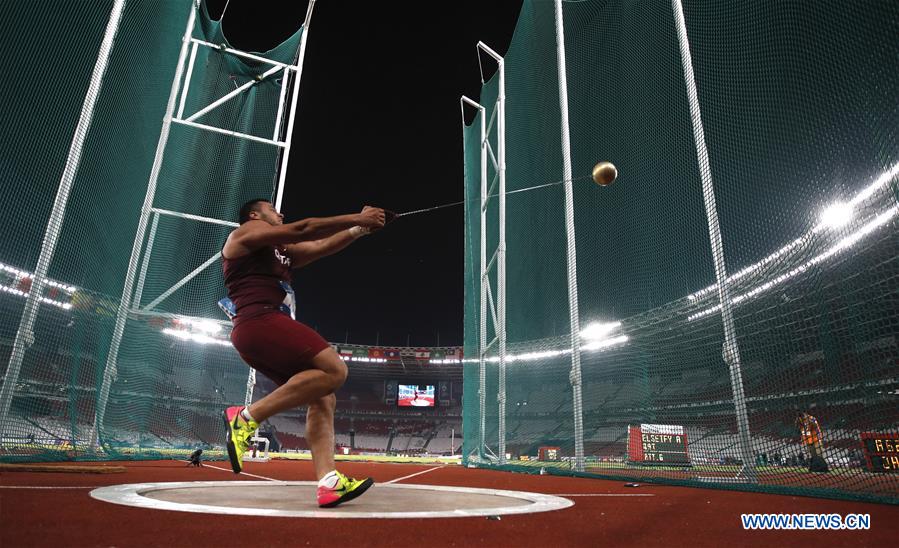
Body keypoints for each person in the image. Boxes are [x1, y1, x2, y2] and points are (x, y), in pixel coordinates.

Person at [221, 198, 385, 508]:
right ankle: (244, 417)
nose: (280, 213)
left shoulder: (278, 251)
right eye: (272, 209)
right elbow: (303, 229)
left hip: (262, 327)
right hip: (259, 320)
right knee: (335, 371)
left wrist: (358, 229)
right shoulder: (245, 233)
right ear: (254, 215)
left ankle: (329, 483)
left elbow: (319, 246)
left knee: (324, 395)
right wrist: (356, 214)